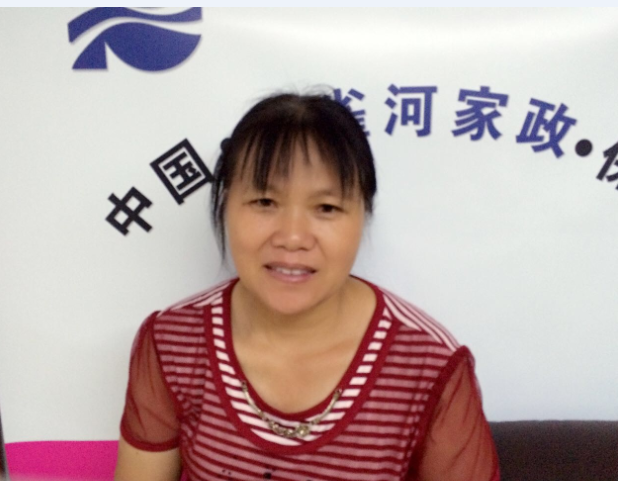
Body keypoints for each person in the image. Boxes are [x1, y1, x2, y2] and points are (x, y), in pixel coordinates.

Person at [114, 92, 500, 481]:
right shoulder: (173, 342)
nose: (293, 237)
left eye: (326, 208)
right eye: (265, 201)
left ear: (364, 215)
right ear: (226, 203)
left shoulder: (429, 364)